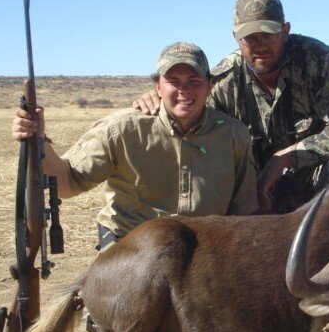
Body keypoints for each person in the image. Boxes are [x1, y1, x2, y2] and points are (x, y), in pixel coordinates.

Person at [134, 0, 329, 213]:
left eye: (267, 35)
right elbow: (191, 119)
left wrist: (286, 158)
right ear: (236, 38)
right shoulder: (223, 80)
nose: (260, 46)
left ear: (285, 31)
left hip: (314, 189)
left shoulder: (317, 60)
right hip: (251, 193)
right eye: (250, 38)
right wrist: (161, 99)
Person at [13, 42, 258, 252]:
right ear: (158, 86)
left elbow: (242, 209)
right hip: (131, 249)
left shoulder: (233, 135)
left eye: (194, 81)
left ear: (210, 85)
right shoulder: (121, 129)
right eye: (173, 81)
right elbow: (66, 183)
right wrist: (38, 139)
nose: (184, 90)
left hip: (204, 251)